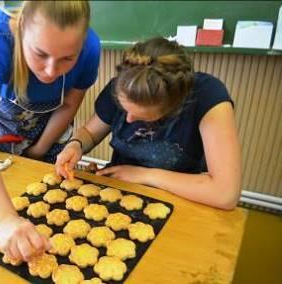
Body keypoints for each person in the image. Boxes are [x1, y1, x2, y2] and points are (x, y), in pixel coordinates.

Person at [0, 1, 100, 262]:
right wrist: (3, 219)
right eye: (40, 53)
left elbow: (69, 104)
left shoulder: (91, 48)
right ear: (20, 27)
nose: (50, 71)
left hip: (49, 131)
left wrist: (39, 150)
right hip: (2, 133)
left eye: (67, 59)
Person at [56, 37, 242, 210]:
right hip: (118, 189)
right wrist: (75, 145)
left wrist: (145, 175)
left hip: (182, 199)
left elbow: (226, 194)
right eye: (124, 108)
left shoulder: (206, 96)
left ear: (173, 106)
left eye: (141, 116)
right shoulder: (123, 85)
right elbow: (90, 132)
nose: (128, 119)